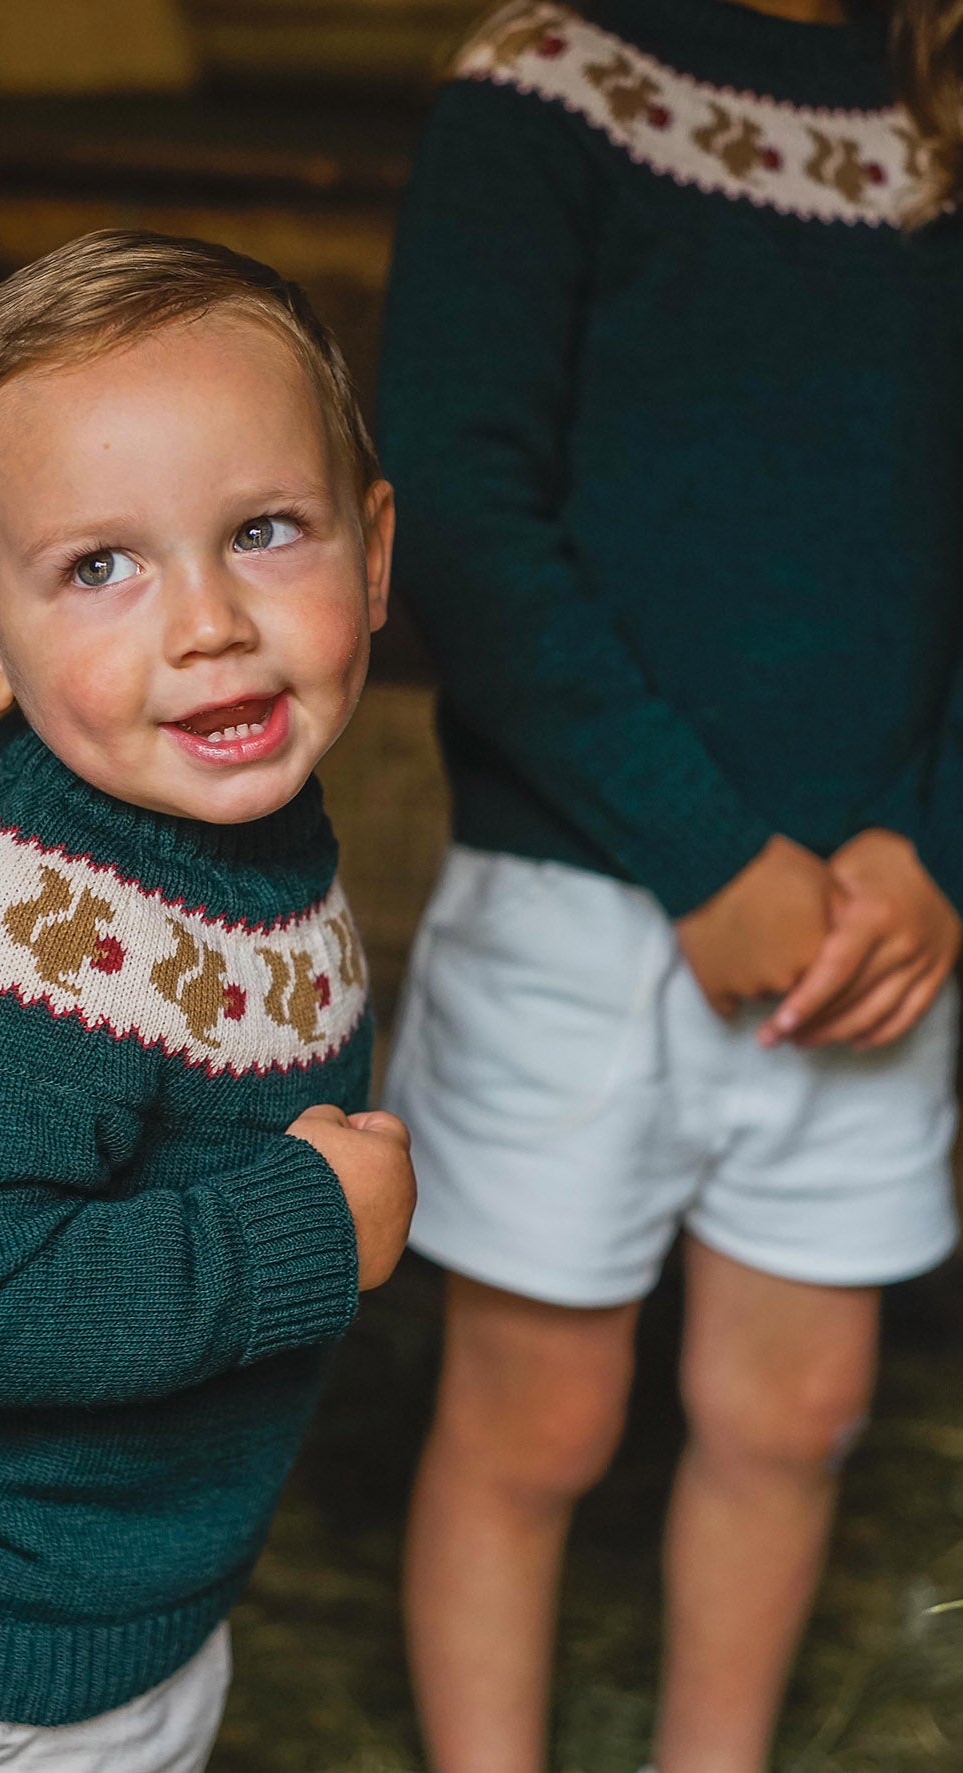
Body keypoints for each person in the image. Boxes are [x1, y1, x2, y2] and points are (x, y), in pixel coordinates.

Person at [379, 0, 963, 1768]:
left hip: (877, 936)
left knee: (795, 1415)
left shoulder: (934, 116)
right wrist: (702, 855)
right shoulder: (546, 86)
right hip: (581, 901)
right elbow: (461, 513)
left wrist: (940, 848)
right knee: (534, 1421)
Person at [0, 229, 415, 1773]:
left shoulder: (236, 814)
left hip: (133, 1610)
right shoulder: (14, 941)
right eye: (99, 566)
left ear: (374, 554)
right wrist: (306, 1228)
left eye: (264, 529)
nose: (205, 622)